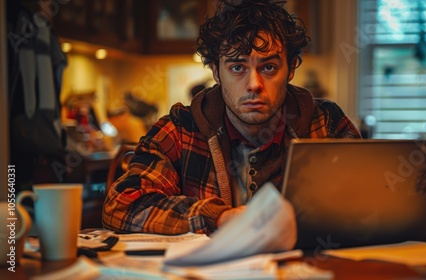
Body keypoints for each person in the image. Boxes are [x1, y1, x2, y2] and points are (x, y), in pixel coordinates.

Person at [102, 0, 361, 235]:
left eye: (269, 67)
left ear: (291, 68)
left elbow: (367, 204)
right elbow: (121, 206)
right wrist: (220, 217)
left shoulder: (326, 123)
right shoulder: (181, 128)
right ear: (216, 71)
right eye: (237, 67)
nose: (254, 84)